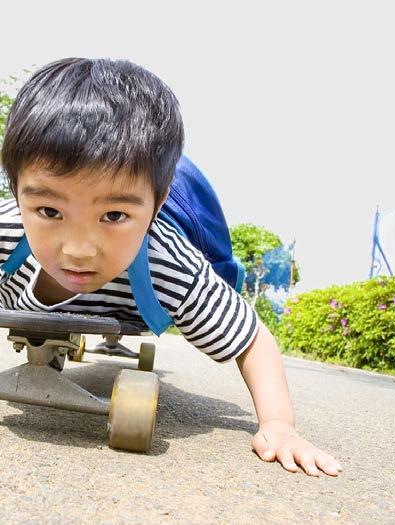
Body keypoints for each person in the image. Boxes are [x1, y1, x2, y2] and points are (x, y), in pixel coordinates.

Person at [0, 57, 343, 477]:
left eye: (113, 216)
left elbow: (252, 337)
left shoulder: (167, 262)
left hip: (133, 297)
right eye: (49, 210)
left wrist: (279, 425)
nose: (78, 249)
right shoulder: (6, 228)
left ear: (155, 208)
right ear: (16, 192)